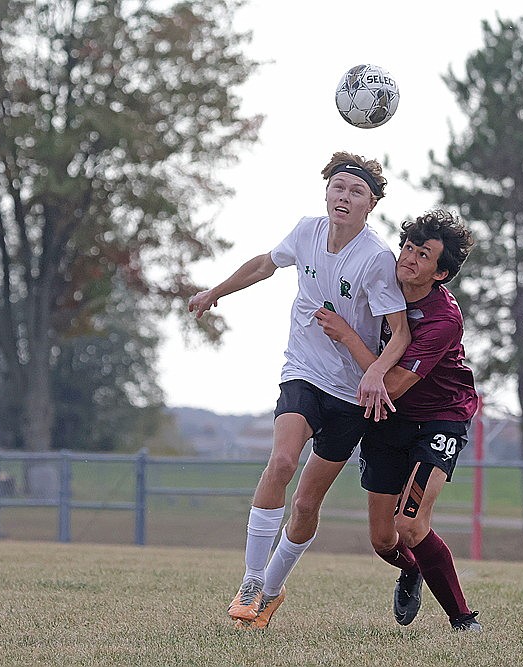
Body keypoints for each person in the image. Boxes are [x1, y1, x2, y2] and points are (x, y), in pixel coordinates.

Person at [187, 151, 411, 630]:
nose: (344, 197)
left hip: (350, 395)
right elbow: (265, 265)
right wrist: (214, 292)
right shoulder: (306, 231)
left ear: (370, 205)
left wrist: (374, 374)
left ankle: (271, 590)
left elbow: (401, 332)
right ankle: (250, 580)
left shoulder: (376, 260)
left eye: (356, 192)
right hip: (303, 373)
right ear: (326, 192)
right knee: (282, 462)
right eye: (339, 188)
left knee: (307, 504)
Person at [315, 208, 482, 632]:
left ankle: (462, 619)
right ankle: (412, 569)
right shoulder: (381, 281)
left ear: (440, 274)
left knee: (408, 524)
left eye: (422, 255)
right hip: (386, 422)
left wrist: (347, 335)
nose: (407, 258)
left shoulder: (443, 319)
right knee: (383, 540)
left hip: (439, 420)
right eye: (407, 247)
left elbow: (391, 385)